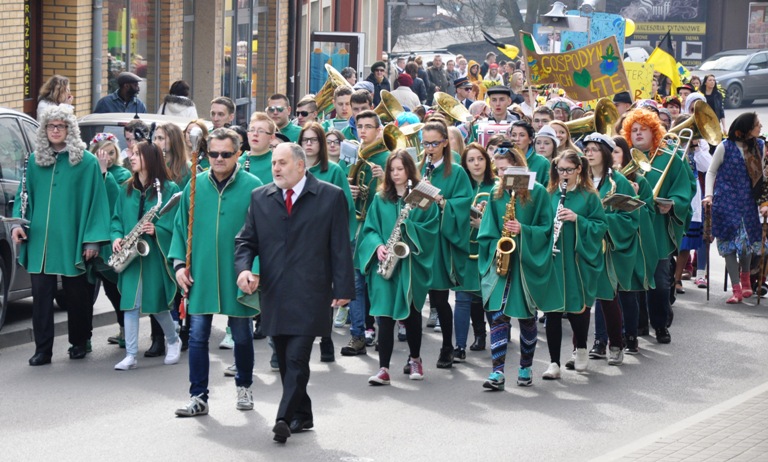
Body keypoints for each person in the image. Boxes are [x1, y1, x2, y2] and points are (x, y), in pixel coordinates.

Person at [234, 143, 354, 443]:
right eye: (274, 163)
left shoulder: (330, 196)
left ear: (301, 165)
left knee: (298, 358)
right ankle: (304, 413)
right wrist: (244, 269)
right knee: (286, 360)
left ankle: (283, 418)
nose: (275, 168)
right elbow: (246, 241)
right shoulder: (260, 197)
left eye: (282, 163)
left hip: (312, 292)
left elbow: (340, 245)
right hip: (275, 292)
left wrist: (343, 288)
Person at [172, 128, 263, 417]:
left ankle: (244, 386)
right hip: (201, 273)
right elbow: (180, 228)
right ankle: (198, 396)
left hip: (238, 273)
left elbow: (266, 234)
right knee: (197, 336)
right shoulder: (195, 185)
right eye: (213, 153)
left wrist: (255, 270)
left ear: (238, 153)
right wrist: (179, 265)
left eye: (225, 153)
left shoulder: (254, 186)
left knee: (242, 335)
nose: (219, 158)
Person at [12, 106, 111, 366]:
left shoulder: (86, 162)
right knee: (41, 298)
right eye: (50, 126)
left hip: (72, 240)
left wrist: (92, 240)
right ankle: (43, 350)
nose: (55, 130)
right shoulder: (34, 161)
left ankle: (79, 341)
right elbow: (23, 197)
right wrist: (17, 225)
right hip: (40, 243)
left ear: (70, 129)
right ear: (44, 129)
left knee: (76, 295)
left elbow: (97, 202)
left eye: (61, 126)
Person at [478, 145, 559, 390]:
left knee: (526, 319)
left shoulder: (539, 192)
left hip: (526, 264)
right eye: (499, 170)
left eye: (506, 169)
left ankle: (525, 367)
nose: (502, 174)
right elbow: (486, 231)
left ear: (520, 167)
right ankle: (497, 372)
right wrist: (497, 246)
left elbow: (547, 228)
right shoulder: (496, 194)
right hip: (502, 264)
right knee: (498, 317)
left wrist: (524, 230)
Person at [357, 150, 439, 384]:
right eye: (391, 169)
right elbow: (369, 229)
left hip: (410, 265)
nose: (395, 174)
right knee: (384, 317)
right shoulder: (380, 198)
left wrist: (407, 229)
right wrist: (377, 246)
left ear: (409, 170)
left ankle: (415, 359)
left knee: (411, 314)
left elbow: (431, 226)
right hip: (385, 265)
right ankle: (383, 368)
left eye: (400, 169)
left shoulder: (422, 196)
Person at [622, 108, 695, 342]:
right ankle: (639, 324)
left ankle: (661, 324)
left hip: (657, 227)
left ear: (654, 132)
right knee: (634, 280)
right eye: (634, 129)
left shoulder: (668, 157)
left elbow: (686, 187)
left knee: (661, 282)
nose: (638, 133)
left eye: (643, 129)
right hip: (631, 227)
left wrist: (672, 204)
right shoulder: (624, 158)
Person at [110, 140, 182, 370]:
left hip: (154, 255)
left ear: (150, 159)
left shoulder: (168, 189)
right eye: (131, 153)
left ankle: (173, 340)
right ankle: (131, 355)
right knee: (130, 305)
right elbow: (116, 219)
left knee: (157, 305)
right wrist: (116, 237)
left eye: (137, 154)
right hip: (130, 256)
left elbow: (177, 223)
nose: (131, 158)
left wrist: (157, 229)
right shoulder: (126, 188)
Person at [541, 151, 607, 380]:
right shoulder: (549, 194)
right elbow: (540, 223)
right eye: (560, 170)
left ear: (579, 169)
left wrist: (578, 219)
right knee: (552, 311)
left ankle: (581, 348)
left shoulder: (589, 196)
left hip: (577, 260)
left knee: (577, 309)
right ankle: (553, 363)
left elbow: (600, 226)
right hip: (553, 260)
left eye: (569, 170)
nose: (564, 174)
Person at [417, 119, 472, 368]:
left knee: (439, 299)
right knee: (414, 300)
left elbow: (463, 205)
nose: (430, 149)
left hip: (439, 240)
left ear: (445, 143)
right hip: (420, 238)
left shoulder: (456, 172)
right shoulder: (418, 167)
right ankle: (414, 355)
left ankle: (447, 347)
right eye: (426, 144)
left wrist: (439, 199)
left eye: (434, 144)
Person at [582, 133, 640, 366]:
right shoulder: (579, 178)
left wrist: (602, 220)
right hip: (581, 244)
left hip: (605, 246)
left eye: (595, 149)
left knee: (607, 297)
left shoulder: (620, 181)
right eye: (587, 149)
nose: (589, 153)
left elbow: (630, 218)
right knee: (580, 299)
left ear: (605, 153)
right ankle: (582, 348)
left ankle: (615, 344)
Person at [703, 112, 768, 303]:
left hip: (747, 203)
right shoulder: (725, 146)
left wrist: (764, 202)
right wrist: (709, 195)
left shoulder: (759, 146)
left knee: (746, 244)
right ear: (745, 129)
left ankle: (745, 278)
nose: (760, 127)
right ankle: (736, 289)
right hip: (725, 203)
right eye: (756, 124)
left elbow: (763, 177)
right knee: (728, 246)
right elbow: (711, 172)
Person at [341, 110, 389, 356]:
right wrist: (349, 191)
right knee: (356, 285)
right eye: (360, 126)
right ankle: (357, 335)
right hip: (356, 226)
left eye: (368, 126)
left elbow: (401, 192)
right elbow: (340, 185)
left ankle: (384, 335)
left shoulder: (387, 157)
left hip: (378, 229)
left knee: (378, 285)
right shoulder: (351, 153)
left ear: (379, 130)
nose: (363, 131)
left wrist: (384, 180)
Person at [612, 135, 657, 354]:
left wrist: (635, 197)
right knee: (608, 294)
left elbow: (649, 212)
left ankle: (631, 336)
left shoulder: (641, 180)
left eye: (616, 152)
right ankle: (608, 338)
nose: (612, 156)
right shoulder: (602, 180)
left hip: (631, 242)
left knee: (628, 292)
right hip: (609, 241)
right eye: (609, 152)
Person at [454, 143, 496, 358]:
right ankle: (460, 346)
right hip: (465, 248)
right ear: (465, 164)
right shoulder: (461, 186)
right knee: (463, 298)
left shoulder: (496, 186)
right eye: (471, 160)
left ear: (487, 161)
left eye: (480, 158)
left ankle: (495, 337)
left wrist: (484, 224)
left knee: (488, 298)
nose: (476, 164)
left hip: (489, 249)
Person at [240, 112, 277, 182]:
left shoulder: (276, 163)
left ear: (271, 137)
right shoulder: (237, 163)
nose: (255, 134)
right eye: (252, 130)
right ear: (248, 135)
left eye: (261, 131)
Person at [510, 120, 549, 185]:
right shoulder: (505, 159)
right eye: (514, 135)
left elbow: (548, 188)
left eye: (522, 135)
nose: (517, 139)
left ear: (530, 139)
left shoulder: (542, 162)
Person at [155, 123, 192, 188]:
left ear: (174, 140)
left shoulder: (188, 168)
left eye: (160, 138)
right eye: (155, 138)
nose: (155, 142)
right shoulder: (153, 164)